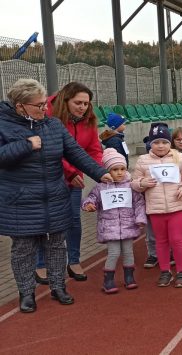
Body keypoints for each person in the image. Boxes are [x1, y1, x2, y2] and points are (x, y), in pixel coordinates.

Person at [0, 78, 111, 313]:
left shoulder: (53, 125)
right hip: (21, 200)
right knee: (23, 249)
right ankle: (26, 292)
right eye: (38, 105)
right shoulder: (3, 125)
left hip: (54, 196)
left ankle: (58, 286)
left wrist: (101, 174)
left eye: (44, 104)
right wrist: (25, 145)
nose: (44, 108)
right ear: (20, 106)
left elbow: (76, 153)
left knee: (56, 245)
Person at [35, 81, 104, 283]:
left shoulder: (89, 120)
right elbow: (49, 149)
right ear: (66, 101)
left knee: (73, 220)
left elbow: (93, 149)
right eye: (78, 102)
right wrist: (71, 171)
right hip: (47, 178)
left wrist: (101, 173)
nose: (83, 107)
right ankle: (41, 263)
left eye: (86, 103)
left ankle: (73, 260)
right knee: (45, 221)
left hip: (74, 180)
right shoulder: (46, 118)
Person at [131, 123, 182, 288]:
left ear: (170, 143)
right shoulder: (143, 160)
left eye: (165, 142)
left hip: (177, 207)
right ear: (150, 144)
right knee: (161, 241)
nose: (161, 146)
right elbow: (134, 183)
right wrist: (142, 183)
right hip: (156, 208)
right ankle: (165, 271)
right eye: (156, 142)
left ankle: (181, 271)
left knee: (177, 239)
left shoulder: (178, 158)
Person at [82, 148, 146, 294]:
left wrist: (140, 218)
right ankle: (108, 280)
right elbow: (91, 198)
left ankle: (129, 277)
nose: (119, 172)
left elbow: (139, 203)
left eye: (122, 169)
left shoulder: (130, 186)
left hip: (128, 226)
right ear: (107, 171)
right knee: (114, 253)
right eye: (115, 169)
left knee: (129, 252)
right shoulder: (100, 187)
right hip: (109, 227)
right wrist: (88, 205)